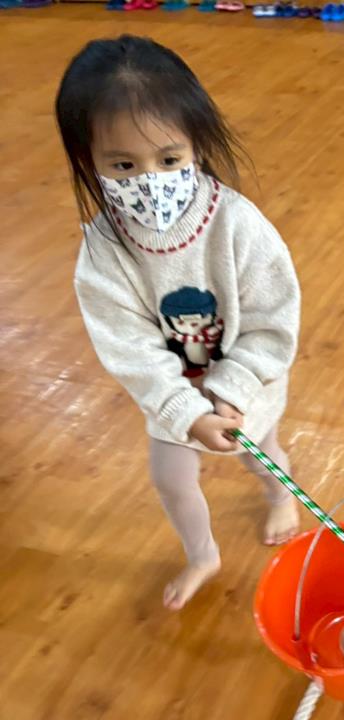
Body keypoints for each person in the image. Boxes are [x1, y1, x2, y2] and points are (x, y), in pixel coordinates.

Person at [56, 35, 301, 611]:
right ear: (88, 159)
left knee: (261, 453)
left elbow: (272, 321)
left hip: (247, 390)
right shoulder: (104, 250)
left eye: (168, 159)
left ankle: (280, 497)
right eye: (123, 164)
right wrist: (186, 412)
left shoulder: (238, 224)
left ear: (197, 141)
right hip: (173, 400)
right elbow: (130, 347)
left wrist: (232, 391)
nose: (149, 179)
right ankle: (202, 554)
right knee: (170, 477)